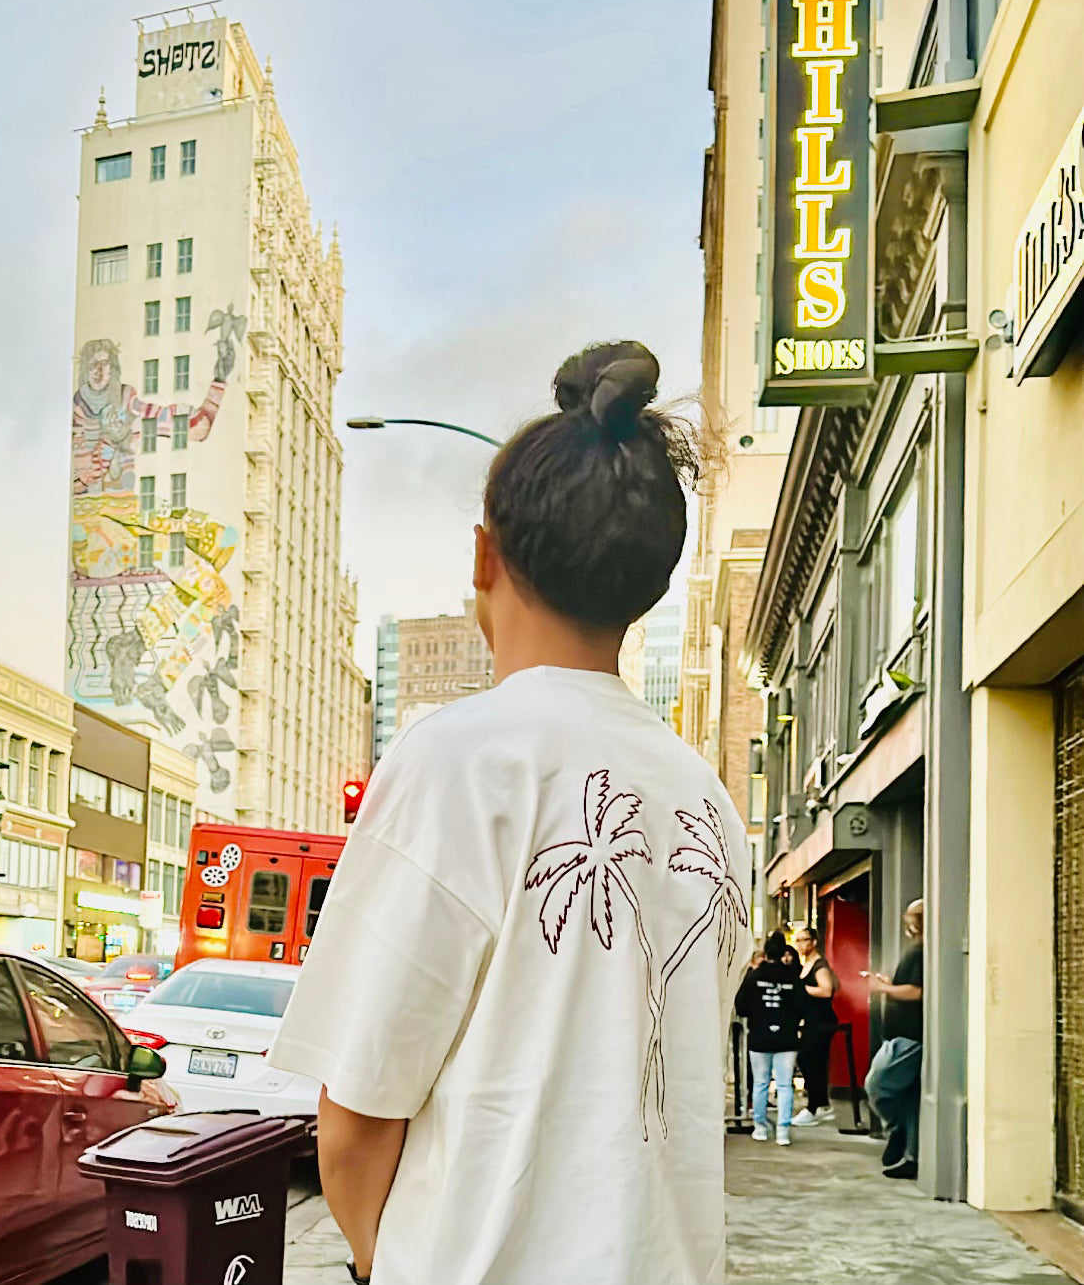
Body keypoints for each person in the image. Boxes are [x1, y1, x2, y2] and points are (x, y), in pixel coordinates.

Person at [267, 342, 750, 1285]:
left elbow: (360, 1111)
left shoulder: (460, 759)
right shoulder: (709, 801)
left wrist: (383, 1262)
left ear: (484, 554)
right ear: (648, 579)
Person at [864, 899, 925, 1180]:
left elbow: (915, 992)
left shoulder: (920, 952)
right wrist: (886, 984)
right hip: (903, 1034)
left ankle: (897, 1129)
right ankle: (911, 1153)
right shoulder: (917, 952)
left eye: (910, 917)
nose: (906, 923)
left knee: (877, 1084)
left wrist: (881, 988)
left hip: (908, 1037)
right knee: (909, 1098)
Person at [734, 929, 804, 1146]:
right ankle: (783, 1131)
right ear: (784, 951)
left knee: (761, 1083)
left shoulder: (754, 976)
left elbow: (742, 1007)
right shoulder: (792, 977)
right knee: (784, 1085)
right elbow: (802, 1006)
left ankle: (760, 1127)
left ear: (765, 952)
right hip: (787, 1038)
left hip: (759, 1036)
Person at [791, 927, 839, 1125]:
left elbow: (827, 990)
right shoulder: (807, 964)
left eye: (804, 940)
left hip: (821, 1022)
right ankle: (821, 1104)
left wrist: (803, 989)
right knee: (810, 1061)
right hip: (811, 1021)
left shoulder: (820, 966)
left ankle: (814, 1107)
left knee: (811, 1061)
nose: (801, 944)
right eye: (798, 940)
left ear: (813, 942)